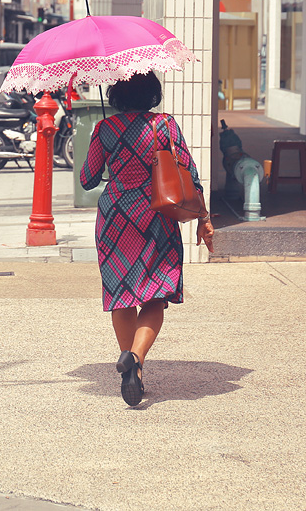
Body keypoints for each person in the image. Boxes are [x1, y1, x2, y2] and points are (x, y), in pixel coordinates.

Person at [80, 71, 212, 406]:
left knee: (122, 296)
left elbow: (87, 179)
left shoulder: (104, 129)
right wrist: (204, 218)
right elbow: (190, 174)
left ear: (116, 95)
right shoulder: (164, 125)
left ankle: (132, 368)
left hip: (114, 217)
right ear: (152, 94)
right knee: (155, 295)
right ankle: (136, 358)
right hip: (155, 213)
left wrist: (105, 143)